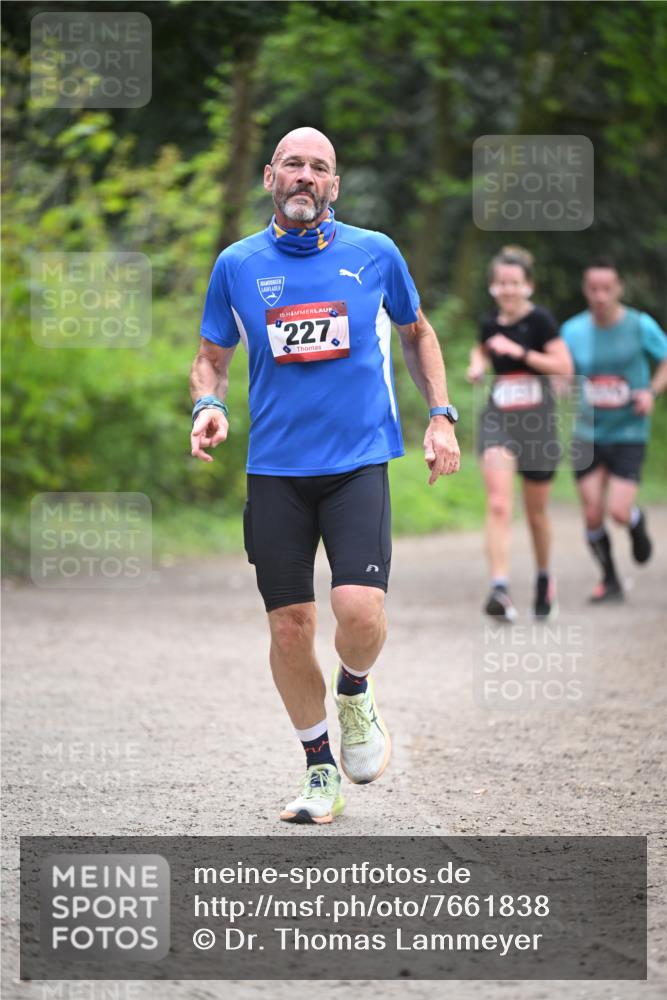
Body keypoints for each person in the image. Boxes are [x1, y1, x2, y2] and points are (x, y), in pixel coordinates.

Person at [189, 127, 460, 824]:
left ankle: (355, 691)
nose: (305, 177)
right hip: (275, 471)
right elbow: (211, 356)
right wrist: (209, 403)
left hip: (356, 462)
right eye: (292, 165)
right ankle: (318, 769)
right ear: (269, 178)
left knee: (358, 611)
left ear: (333, 185)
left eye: (319, 168)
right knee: (288, 627)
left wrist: (440, 415)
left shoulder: (374, 253)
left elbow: (416, 331)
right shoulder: (237, 265)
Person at [467, 246, 573, 622]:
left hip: (538, 424)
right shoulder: (489, 322)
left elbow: (564, 367)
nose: (508, 290)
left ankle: (545, 579)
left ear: (528, 286)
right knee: (499, 503)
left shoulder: (541, 321)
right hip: (499, 420)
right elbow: (480, 350)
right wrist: (477, 366)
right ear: (493, 287)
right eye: (501, 284)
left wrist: (520, 351)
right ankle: (499, 589)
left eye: (515, 283)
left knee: (536, 514)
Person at [561, 257, 667, 603]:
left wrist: (650, 392)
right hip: (587, 432)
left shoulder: (639, 325)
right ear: (585, 290)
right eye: (593, 289)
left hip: (627, 431)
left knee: (617, 511)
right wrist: (559, 386)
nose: (600, 295)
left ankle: (635, 522)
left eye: (607, 288)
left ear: (619, 288)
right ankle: (610, 580)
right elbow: (560, 371)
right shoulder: (573, 330)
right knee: (592, 513)